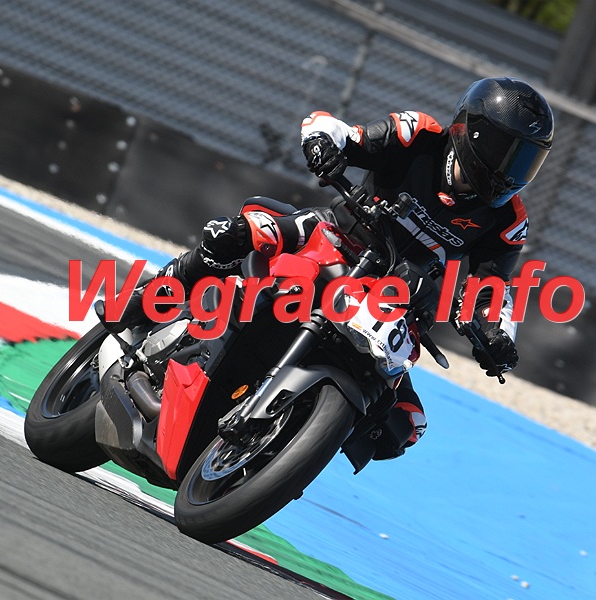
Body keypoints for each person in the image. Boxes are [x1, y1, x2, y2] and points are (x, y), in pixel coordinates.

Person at [109, 77, 554, 462]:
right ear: (471, 131)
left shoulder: (508, 220)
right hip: (337, 238)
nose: (510, 169)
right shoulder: (418, 135)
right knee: (238, 234)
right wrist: (324, 145)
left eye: (525, 159)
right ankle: (147, 301)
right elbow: (338, 130)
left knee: (404, 425)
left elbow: (494, 288)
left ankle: (282, 443)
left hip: (394, 303)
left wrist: (497, 336)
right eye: (505, 151)